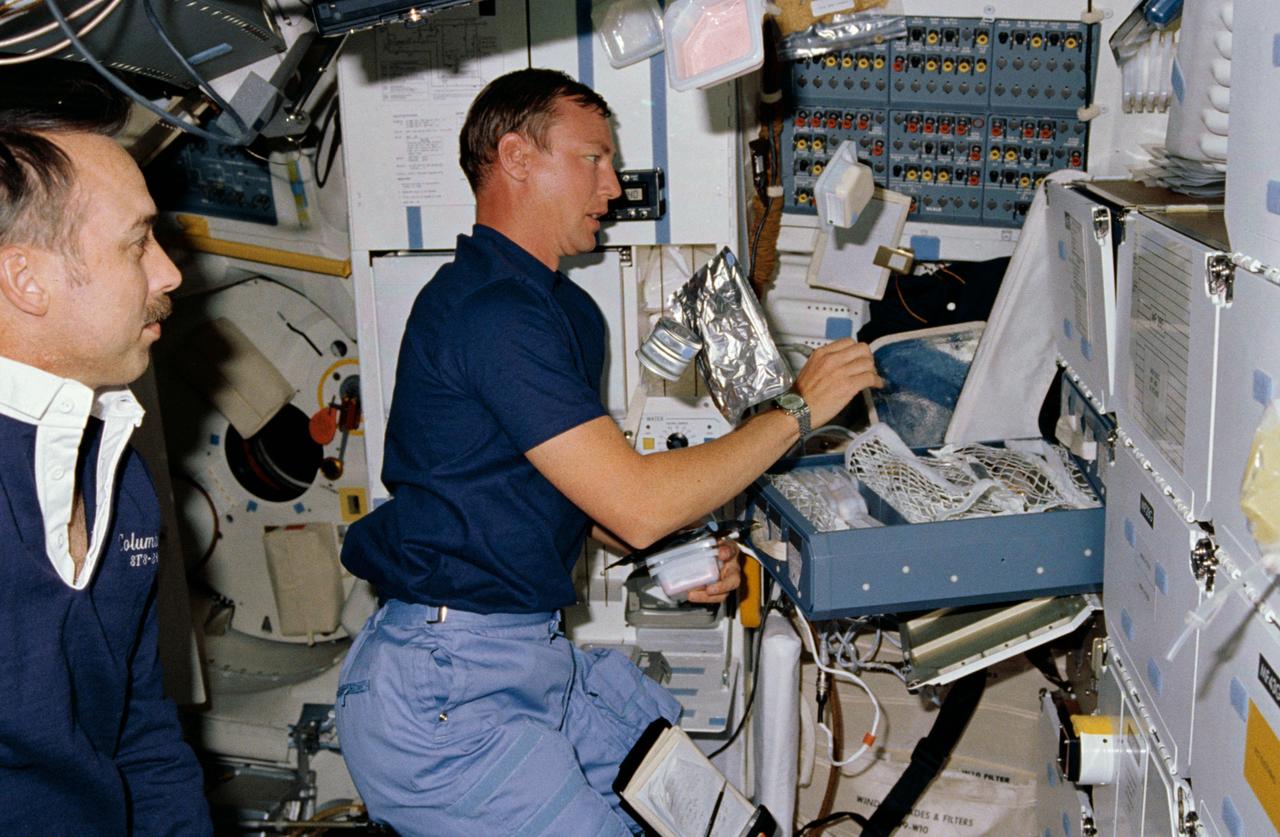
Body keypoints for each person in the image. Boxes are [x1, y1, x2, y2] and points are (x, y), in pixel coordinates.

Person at [335, 68, 879, 836]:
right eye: (593, 158)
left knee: (710, 821)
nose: (615, 185)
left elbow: (594, 504)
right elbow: (636, 501)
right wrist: (798, 409)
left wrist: (675, 556)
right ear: (517, 158)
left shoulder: (567, 314)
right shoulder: (485, 312)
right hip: (447, 684)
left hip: (528, 660)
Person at [0, 74, 212, 834]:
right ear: (26, 277)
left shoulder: (117, 471)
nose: (170, 272)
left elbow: (140, 734)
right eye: (137, 243)